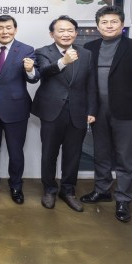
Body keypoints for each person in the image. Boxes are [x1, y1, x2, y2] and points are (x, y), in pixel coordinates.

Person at [80, 5, 132, 223]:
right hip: (98, 112)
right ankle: (102, 190)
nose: (109, 26)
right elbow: (87, 81)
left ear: (122, 25)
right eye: (104, 22)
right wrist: (88, 109)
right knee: (101, 154)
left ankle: (123, 199)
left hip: (127, 112)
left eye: (113, 22)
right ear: (98, 26)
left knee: (124, 158)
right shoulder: (90, 47)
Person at [32, 15, 97, 212]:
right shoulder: (43, 51)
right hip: (52, 111)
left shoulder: (86, 54)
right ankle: (49, 190)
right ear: (52, 34)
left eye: (70, 30)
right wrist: (63, 61)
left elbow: (91, 84)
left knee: (73, 154)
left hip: (78, 111)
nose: (66, 34)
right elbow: (43, 72)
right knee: (49, 153)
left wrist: (91, 110)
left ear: (76, 33)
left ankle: (68, 191)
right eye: (61, 30)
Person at [0, 15, 39, 204]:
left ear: (15, 29)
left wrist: (30, 69)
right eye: (0, 28)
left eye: (8, 27)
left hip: (16, 108)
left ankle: (16, 185)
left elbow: (33, 78)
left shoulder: (26, 49)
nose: (4, 31)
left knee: (15, 150)